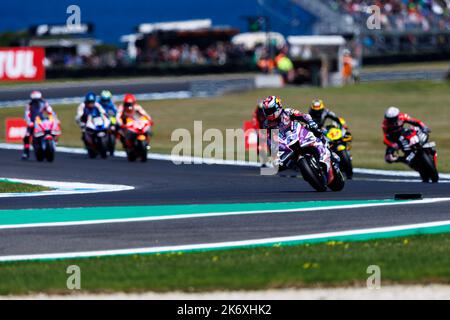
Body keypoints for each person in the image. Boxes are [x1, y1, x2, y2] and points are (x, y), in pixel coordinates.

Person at [260, 95, 330, 169]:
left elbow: (302, 115)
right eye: (266, 111)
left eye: (270, 110)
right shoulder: (266, 124)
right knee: (279, 165)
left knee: (316, 131)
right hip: (286, 144)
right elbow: (269, 140)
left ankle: (326, 149)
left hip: (299, 134)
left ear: (278, 107)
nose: (268, 113)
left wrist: (310, 121)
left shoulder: (287, 112)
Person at [22, 91, 55, 160]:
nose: (36, 102)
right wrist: (29, 122)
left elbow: (50, 111)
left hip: (41, 121)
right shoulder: (29, 105)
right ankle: (26, 152)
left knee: (50, 130)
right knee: (27, 136)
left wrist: (53, 118)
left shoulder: (44, 103)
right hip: (32, 122)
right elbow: (26, 114)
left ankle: (52, 143)